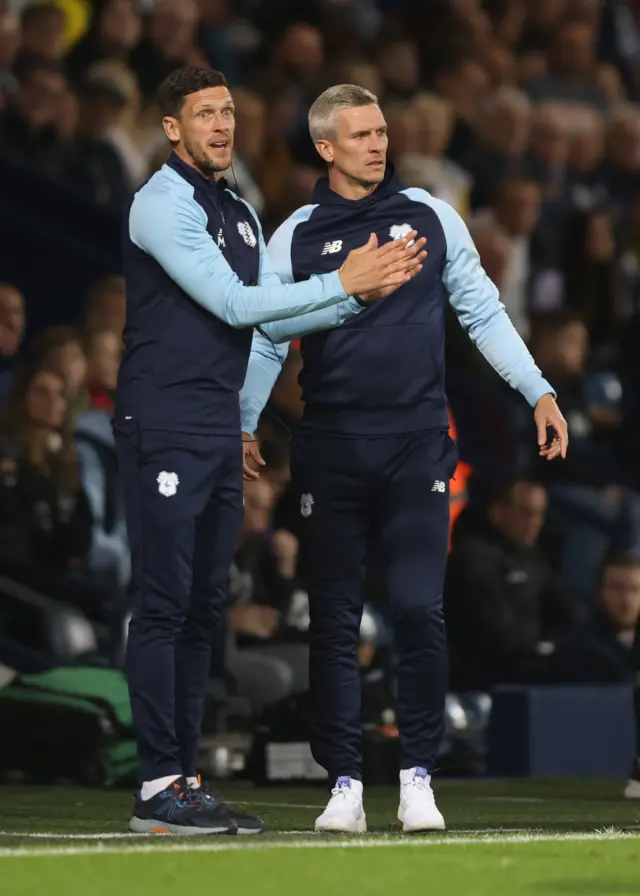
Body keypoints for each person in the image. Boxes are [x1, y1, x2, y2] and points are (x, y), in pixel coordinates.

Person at [239, 84, 568, 834]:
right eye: (360, 135)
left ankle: (419, 774)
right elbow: (265, 338)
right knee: (334, 622)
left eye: (382, 131)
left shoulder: (431, 215)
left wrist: (539, 390)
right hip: (331, 451)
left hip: (419, 445)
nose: (378, 144)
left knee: (421, 608)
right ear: (325, 147)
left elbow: (482, 310)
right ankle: (345, 783)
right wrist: (241, 421)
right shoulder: (293, 235)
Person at [114, 66, 426, 836]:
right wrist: (344, 282)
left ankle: (185, 779)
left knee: (202, 609)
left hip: (215, 426)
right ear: (171, 129)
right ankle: (156, 785)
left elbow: (263, 328)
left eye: (227, 112)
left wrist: (248, 414)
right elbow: (231, 302)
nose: (221, 126)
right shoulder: (160, 204)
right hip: (163, 422)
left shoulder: (244, 216)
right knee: (163, 602)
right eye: (204, 115)